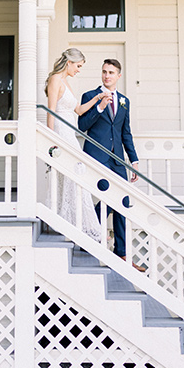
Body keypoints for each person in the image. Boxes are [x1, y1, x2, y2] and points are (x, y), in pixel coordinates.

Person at [78, 58, 146, 271]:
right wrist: (99, 107)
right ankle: (89, 233)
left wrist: (133, 160)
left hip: (118, 159)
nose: (107, 75)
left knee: (123, 202)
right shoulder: (90, 96)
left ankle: (121, 253)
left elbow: (126, 133)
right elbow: (82, 125)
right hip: (97, 156)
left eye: (111, 72)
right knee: (108, 198)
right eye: (104, 71)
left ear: (118, 76)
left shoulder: (125, 101)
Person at [45, 48, 109, 243]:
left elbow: (79, 110)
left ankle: (75, 222)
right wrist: (51, 140)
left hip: (70, 133)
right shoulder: (56, 79)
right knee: (75, 173)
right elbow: (51, 111)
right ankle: (76, 223)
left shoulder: (66, 83)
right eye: (78, 66)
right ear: (70, 62)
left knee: (75, 176)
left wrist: (98, 99)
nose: (79, 70)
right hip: (61, 134)